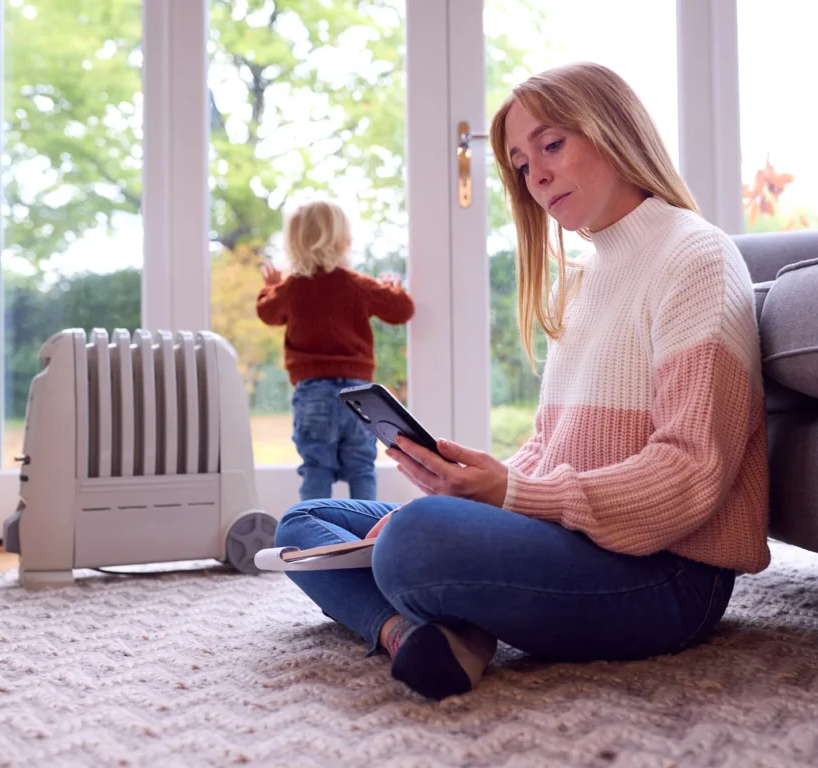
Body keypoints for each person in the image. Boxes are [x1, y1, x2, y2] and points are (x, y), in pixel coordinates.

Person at [272, 62, 769, 701]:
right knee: (306, 523)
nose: (536, 174)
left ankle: (450, 614)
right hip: (573, 540)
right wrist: (467, 492)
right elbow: (548, 448)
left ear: (614, 128)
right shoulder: (583, 279)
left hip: (667, 576)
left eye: (551, 144)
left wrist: (506, 496)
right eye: (520, 163)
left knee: (413, 543)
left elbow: (691, 475)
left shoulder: (696, 258)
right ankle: (412, 633)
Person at [257, 198, 415, 501]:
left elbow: (267, 313)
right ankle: (366, 537)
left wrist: (270, 286)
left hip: (312, 394)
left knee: (316, 466)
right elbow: (402, 310)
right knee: (361, 467)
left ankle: (314, 537)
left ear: (293, 244)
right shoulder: (358, 285)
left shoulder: (291, 288)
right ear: (344, 241)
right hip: (358, 396)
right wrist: (393, 289)